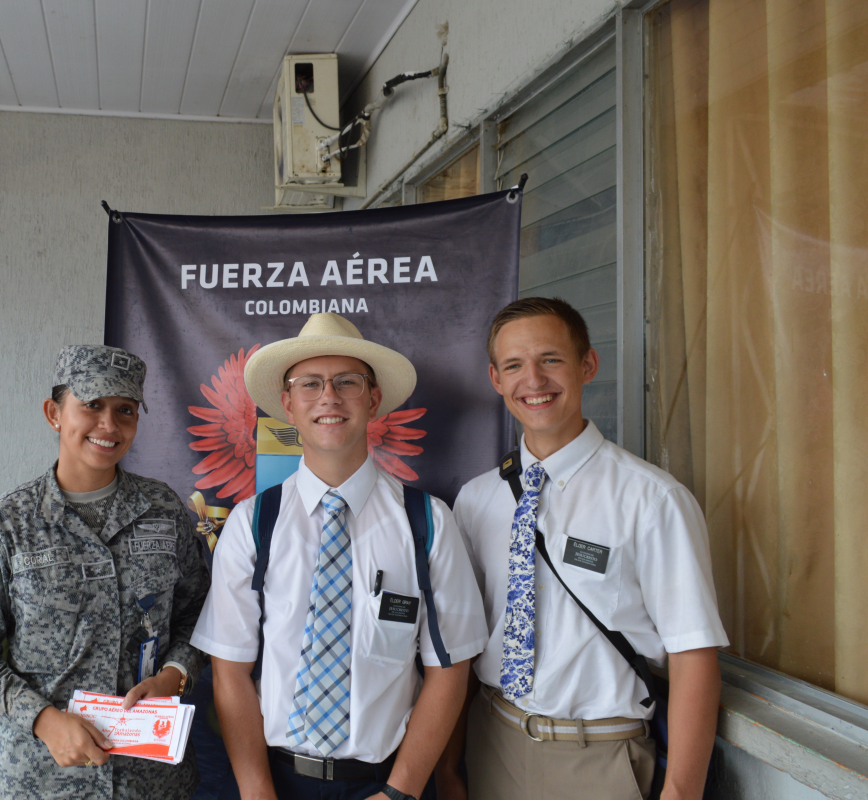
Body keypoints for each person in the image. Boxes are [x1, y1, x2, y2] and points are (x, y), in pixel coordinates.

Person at [191, 312, 487, 800]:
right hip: (276, 783)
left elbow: (449, 670)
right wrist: (257, 790)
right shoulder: (252, 523)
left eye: (347, 382)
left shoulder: (428, 521)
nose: (328, 397)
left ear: (373, 400)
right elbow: (230, 670)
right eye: (310, 384)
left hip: (386, 783)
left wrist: (400, 791)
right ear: (287, 404)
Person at [442, 297, 726, 800]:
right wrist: (450, 764)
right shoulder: (476, 499)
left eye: (550, 359)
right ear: (495, 379)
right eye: (514, 365)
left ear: (587, 365)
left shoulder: (652, 499)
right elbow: (465, 640)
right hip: (492, 741)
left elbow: (693, 654)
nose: (533, 379)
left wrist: (681, 792)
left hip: (599, 758)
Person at [0, 344, 212, 800]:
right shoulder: (8, 523)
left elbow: (200, 617)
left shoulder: (163, 511)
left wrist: (175, 674)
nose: (109, 425)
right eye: (92, 406)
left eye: (125, 410)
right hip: (40, 781)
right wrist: (43, 720)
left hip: (150, 783)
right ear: (54, 413)